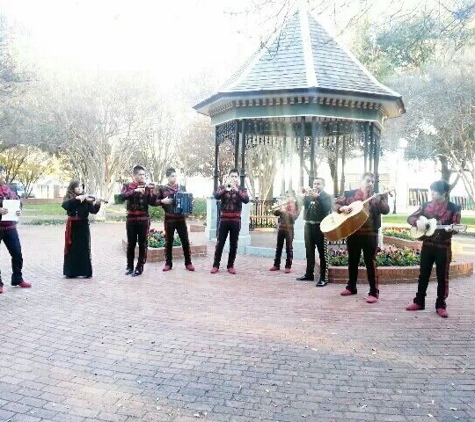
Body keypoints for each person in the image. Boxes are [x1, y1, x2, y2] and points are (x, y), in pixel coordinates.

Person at [405, 180, 461, 318]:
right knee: (423, 274)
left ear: (444, 193)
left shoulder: (454, 208)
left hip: (443, 247)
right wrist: (417, 221)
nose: (432, 194)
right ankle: (419, 302)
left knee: (443, 277)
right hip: (427, 246)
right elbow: (410, 217)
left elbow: (457, 226)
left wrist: (450, 230)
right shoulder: (426, 205)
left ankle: (441, 305)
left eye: (434, 191)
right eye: (432, 191)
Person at [334, 172, 389, 303]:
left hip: (371, 233)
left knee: (370, 262)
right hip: (353, 232)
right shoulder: (349, 194)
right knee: (352, 261)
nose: (370, 183)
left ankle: (374, 292)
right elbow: (335, 204)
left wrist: (379, 200)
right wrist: (342, 208)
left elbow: (386, 210)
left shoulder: (378, 195)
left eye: (372, 181)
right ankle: (351, 287)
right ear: (361, 181)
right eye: (368, 181)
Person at [119, 165, 157, 277]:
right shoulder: (127, 186)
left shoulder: (147, 187)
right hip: (131, 219)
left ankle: (139, 267)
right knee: (131, 243)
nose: (142, 177)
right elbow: (121, 197)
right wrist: (135, 190)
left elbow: (152, 202)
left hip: (144, 219)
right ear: (134, 175)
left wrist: (154, 193)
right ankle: (129, 266)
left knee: (142, 244)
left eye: (144, 175)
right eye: (140, 174)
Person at [211, 168, 249, 274]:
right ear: (228, 177)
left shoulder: (242, 189)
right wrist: (225, 188)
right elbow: (216, 196)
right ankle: (215, 265)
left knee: (233, 244)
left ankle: (230, 265)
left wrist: (237, 190)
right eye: (232, 176)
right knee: (220, 243)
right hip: (224, 219)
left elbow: (246, 200)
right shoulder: (222, 187)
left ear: (238, 178)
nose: (234, 178)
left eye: (236, 176)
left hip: (236, 220)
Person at [155, 168, 194, 272]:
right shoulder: (163, 188)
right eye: (172, 176)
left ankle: (188, 263)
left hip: (180, 219)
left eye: (175, 176)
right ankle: (168, 263)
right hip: (169, 219)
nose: (174, 178)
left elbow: (187, 199)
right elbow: (155, 201)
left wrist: (189, 205)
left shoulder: (181, 187)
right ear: (167, 177)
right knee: (169, 242)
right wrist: (163, 201)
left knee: (185, 241)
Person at [0, 165, 31, 294]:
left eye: (1, 173)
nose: (1, 176)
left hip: (10, 227)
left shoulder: (10, 190)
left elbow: (18, 203)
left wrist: (18, 210)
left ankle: (17, 278)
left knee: (17, 253)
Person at [296, 178, 333, 286]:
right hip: (308, 225)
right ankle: (309, 274)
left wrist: (318, 197)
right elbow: (302, 205)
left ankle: (323, 278)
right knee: (309, 251)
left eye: (318, 184)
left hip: (320, 226)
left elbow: (326, 208)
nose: (316, 186)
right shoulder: (308, 195)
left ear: (324, 185)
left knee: (322, 253)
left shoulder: (326, 196)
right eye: (314, 184)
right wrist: (302, 196)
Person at [62, 180, 101, 278]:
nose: (80, 189)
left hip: (83, 225)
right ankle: (71, 272)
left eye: (81, 187)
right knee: (72, 248)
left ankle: (85, 271)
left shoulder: (87, 199)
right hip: (72, 226)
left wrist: (98, 203)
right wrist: (77, 199)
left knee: (83, 248)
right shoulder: (69, 198)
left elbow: (93, 211)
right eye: (77, 187)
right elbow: (66, 206)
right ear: (72, 188)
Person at [269, 190, 299, 274]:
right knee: (278, 247)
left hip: (289, 229)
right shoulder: (283, 204)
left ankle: (288, 266)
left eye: (288, 196)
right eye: (286, 196)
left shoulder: (296, 206)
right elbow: (275, 213)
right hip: (281, 228)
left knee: (289, 248)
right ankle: (276, 265)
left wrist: (284, 211)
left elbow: (294, 217)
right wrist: (277, 209)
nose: (287, 198)